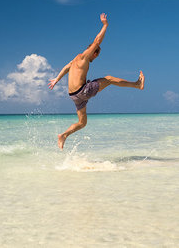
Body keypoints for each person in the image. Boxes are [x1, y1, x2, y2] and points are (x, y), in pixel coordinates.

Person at [48, 13, 145, 150]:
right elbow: (97, 40)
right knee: (109, 79)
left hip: (73, 96)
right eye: (97, 55)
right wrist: (105, 25)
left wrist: (56, 79)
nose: (96, 58)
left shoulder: (76, 59)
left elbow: (65, 68)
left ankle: (64, 135)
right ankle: (137, 84)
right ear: (93, 52)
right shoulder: (85, 57)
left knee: (82, 122)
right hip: (83, 91)